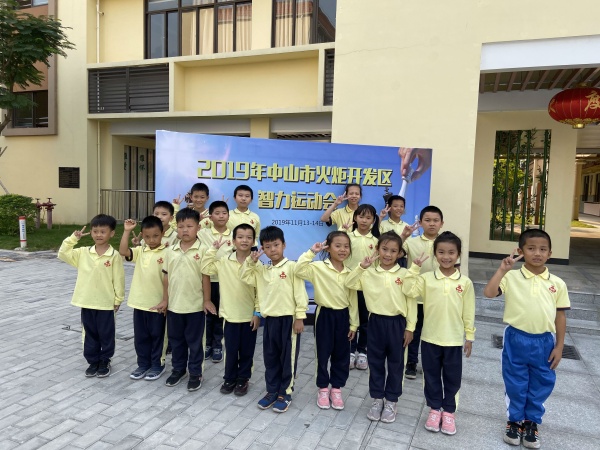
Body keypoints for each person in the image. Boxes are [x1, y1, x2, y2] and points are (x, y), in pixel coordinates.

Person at [483, 229, 570, 449]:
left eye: (542, 249)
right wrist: (502, 270)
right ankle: (514, 421)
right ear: (521, 251)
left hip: (544, 341)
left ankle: (531, 422)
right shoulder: (511, 277)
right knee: (515, 381)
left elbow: (560, 316)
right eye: (531, 248)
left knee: (542, 382)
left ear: (550, 253)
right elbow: (489, 293)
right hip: (516, 338)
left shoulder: (557, 283)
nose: (537, 253)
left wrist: (559, 346)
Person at [402, 231, 475, 436]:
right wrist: (414, 268)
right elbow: (408, 290)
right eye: (441, 252)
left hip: (453, 340)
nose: (446, 256)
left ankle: (449, 412)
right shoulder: (426, 279)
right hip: (430, 338)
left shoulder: (465, 283)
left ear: (458, 254)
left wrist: (469, 337)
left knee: (453, 378)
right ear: (435, 254)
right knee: (431, 376)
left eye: (451, 252)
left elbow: (468, 312)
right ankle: (435, 409)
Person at [345, 231, 417, 423]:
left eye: (393, 251)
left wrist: (410, 327)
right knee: (375, 363)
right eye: (384, 249)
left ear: (400, 253)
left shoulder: (405, 274)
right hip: (375, 322)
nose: (388, 254)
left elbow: (411, 301)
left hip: (397, 324)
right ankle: (377, 399)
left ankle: (391, 400)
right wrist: (361, 267)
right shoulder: (368, 273)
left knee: (396, 364)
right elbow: (349, 283)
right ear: (377, 250)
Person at [240, 226, 308, 413]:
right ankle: (272, 391)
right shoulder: (262, 270)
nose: (272, 250)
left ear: (284, 245)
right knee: (270, 358)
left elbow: (300, 293)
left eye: (276, 245)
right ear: (262, 248)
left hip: (288, 321)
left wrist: (300, 317)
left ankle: (285, 393)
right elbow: (245, 277)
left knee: (287, 359)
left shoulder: (292, 267)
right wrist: (251, 261)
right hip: (270, 321)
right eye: (267, 247)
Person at [296, 231, 359, 411]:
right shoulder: (319, 268)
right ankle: (323, 388)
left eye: (346, 246)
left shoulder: (350, 273)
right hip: (324, 315)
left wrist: (354, 324)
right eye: (338, 246)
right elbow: (299, 270)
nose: (342, 250)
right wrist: (311, 252)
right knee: (322, 353)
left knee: (341, 354)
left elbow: (353, 300)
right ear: (328, 248)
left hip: (343, 317)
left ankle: (336, 389)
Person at [57, 214, 124, 378]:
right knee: (89, 334)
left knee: (106, 334)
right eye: (95, 231)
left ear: (112, 233)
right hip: (86, 302)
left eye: (103, 231)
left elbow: (119, 279)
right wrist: (73, 239)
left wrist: (118, 299)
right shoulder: (83, 253)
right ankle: (93, 361)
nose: (98, 235)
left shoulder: (114, 255)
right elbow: (63, 253)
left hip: (106, 304)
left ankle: (105, 360)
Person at [154, 208, 211, 392]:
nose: (185, 230)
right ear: (176, 228)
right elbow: (166, 277)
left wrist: (207, 300)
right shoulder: (170, 251)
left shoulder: (203, 250)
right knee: (176, 341)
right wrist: (165, 300)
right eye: (181, 226)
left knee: (195, 343)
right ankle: (178, 369)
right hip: (174, 306)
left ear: (198, 227)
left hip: (195, 307)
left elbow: (205, 277)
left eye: (189, 226)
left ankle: (195, 373)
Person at [201, 223, 259, 396]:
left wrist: (257, 313)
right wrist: (213, 249)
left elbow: (260, 292)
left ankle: (243, 379)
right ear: (233, 241)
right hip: (230, 315)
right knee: (231, 350)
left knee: (247, 351)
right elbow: (205, 268)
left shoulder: (257, 264)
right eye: (240, 237)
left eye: (249, 237)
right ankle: (229, 378)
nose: (244, 240)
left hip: (249, 316)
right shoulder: (224, 261)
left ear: (253, 241)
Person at [119, 216, 169, 381]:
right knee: (141, 337)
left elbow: (168, 279)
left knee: (158, 336)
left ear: (162, 233)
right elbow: (123, 251)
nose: (151, 240)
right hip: (139, 303)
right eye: (147, 237)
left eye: (155, 236)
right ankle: (143, 364)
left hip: (158, 305)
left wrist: (165, 300)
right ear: (142, 235)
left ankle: (157, 364)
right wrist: (126, 231)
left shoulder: (168, 252)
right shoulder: (140, 251)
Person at [403, 205, 445, 380]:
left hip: (438, 298)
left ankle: (431, 364)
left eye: (436, 220)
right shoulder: (411, 243)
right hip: (416, 297)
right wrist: (403, 236)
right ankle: (411, 363)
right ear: (420, 223)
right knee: (413, 330)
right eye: (427, 220)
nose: (432, 224)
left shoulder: (447, 244)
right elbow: (393, 252)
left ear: (442, 223)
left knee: (434, 332)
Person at [198, 200, 235, 364]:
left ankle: (217, 344)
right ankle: (206, 344)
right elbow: (182, 234)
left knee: (220, 314)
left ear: (228, 216)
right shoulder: (202, 233)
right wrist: (198, 219)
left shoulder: (234, 235)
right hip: (206, 280)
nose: (221, 216)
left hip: (225, 282)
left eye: (224, 213)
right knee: (207, 313)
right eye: (217, 213)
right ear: (210, 217)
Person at [346, 204, 380, 371]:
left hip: (368, 287)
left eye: (368, 218)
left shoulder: (376, 241)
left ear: (373, 220)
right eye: (361, 217)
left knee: (366, 321)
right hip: (350, 285)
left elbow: (379, 266)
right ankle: (350, 351)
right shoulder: (348, 238)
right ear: (355, 218)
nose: (364, 221)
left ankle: (362, 351)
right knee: (351, 319)